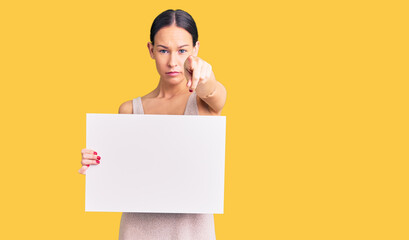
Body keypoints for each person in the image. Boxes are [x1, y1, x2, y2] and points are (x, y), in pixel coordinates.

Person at [78, 9, 226, 240]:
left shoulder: (204, 102)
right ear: (151, 50)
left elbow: (216, 94)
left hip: (191, 233)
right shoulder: (129, 110)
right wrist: (97, 163)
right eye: (163, 50)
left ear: (195, 50)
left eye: (183, 51)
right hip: (138, 230)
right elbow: (121, 174)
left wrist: (207, 77)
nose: (173, 62)